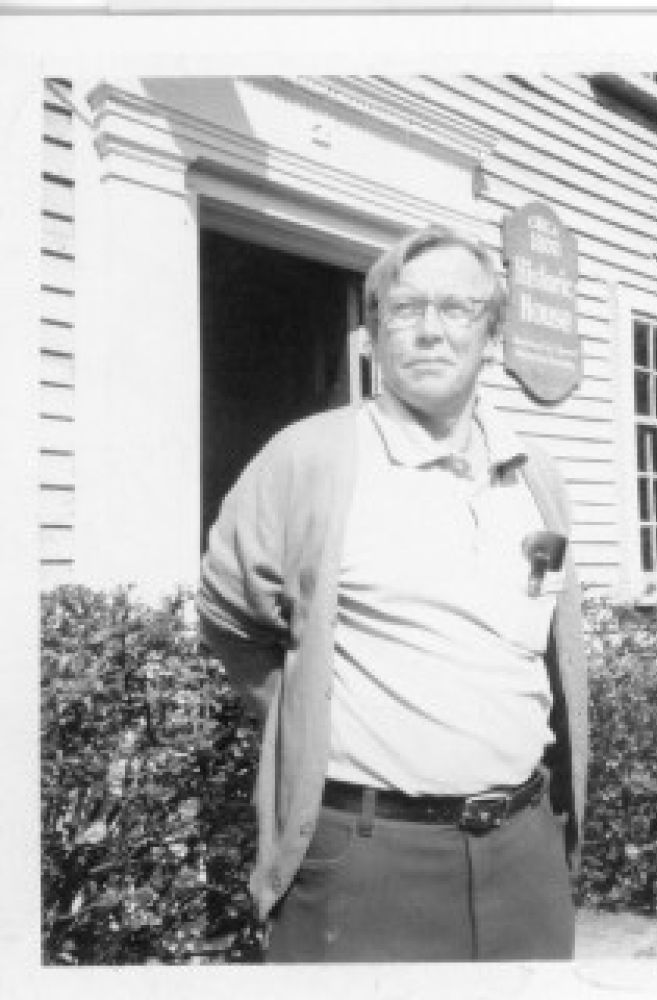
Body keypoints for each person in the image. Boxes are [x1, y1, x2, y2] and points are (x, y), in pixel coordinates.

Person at [198, 224, 588, 962]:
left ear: (494, 336)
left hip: (524, 853)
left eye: (457, 308)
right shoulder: (309, 459)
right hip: (366, 858)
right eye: (404, 310)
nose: (430, 331)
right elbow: (229, 615)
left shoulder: (538, 478)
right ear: (374, 334)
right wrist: (306, 709)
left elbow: (541, 638)